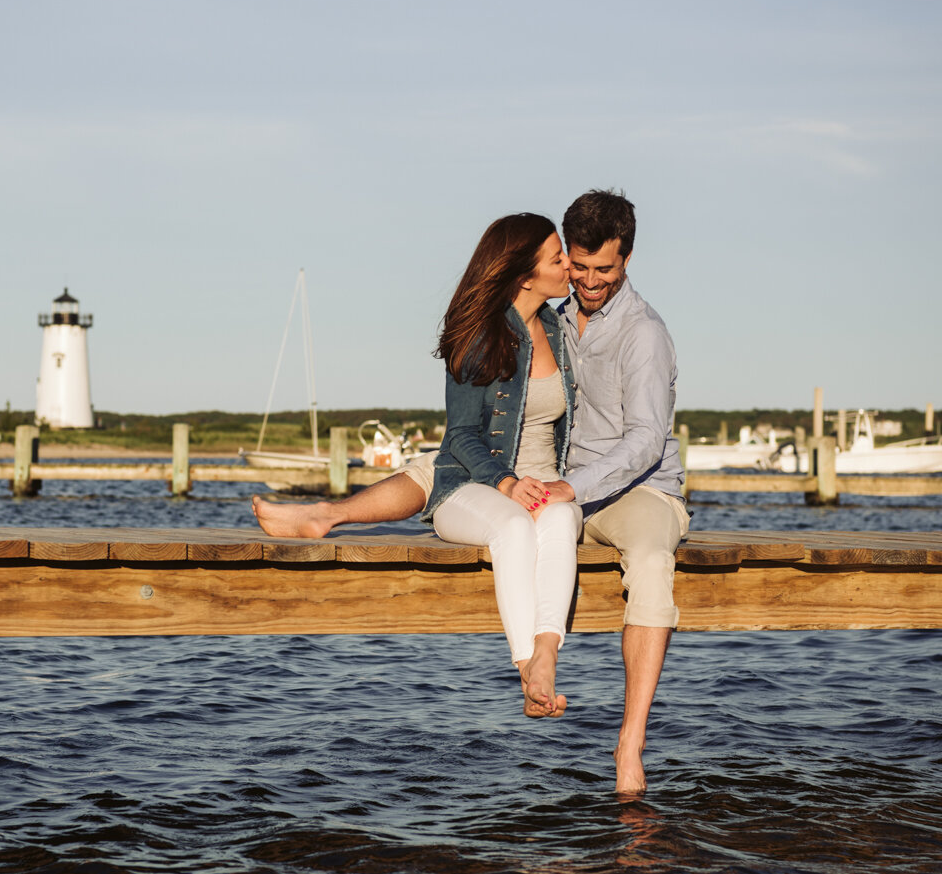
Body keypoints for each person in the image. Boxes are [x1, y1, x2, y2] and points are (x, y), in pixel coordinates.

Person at [252, 189, 687, 797]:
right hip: (549, 476)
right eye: (574, 263)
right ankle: (328, 514)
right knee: (447, 462)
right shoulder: (553, 320)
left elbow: (643, 442)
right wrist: (514, 477)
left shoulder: (642, 334)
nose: (585, 278)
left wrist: (563, 485)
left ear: (628, 260)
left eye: (600, 269)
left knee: (645, 558)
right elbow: (482, 423)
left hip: (627, 487)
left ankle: (628, 746)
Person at [425, 212, 581, 720]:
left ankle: (547, 658)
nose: (569, 264)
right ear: (524, 273)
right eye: (557, 257)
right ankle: (526, 671)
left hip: (544, 485)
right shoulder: (481, 334)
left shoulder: (559, 328)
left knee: (559, 516)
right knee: (515, 526)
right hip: (472, 488)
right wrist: (507, 483)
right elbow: (461, 436)